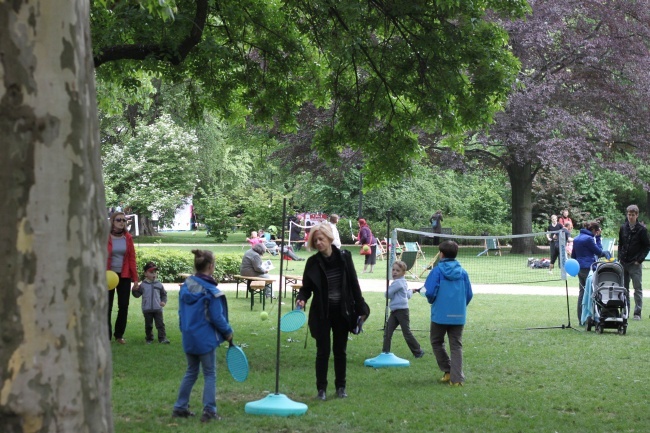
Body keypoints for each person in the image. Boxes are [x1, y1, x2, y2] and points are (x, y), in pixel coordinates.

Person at [295, 223, 368, 401]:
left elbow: (353, 283)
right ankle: (321, 389)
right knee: (323, 352)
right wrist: (302, 298)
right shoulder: (312, 263)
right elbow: (307, 288)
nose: (319, 243)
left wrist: (361, 307)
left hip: (342, 312)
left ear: (329, 238)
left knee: (340, 351)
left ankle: (341, 387)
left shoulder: (344, 257)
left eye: (321, 239)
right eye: (315, 240)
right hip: (322, 314)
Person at [173, 250, 233, 423]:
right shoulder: (210, 291)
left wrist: (183, 329)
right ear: (211, 266)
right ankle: (209, 411)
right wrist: (228, 332)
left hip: (188, 336)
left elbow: (180, 312)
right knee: (209, 374)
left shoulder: (186, 285)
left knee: (191, 371)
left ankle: (180, 407)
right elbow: (217, 317)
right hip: (205, 339)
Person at [421, 240, 473, 386]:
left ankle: (448, 370)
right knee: (456, 346)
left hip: (440, 315)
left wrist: (431, 301)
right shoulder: (463, 272)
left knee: (436, 342)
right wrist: (459, 307)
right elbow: (469, 294)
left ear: (441, 254)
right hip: (458, 315)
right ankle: (456, 379)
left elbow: (429, 292)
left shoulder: (437, 271)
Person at [107, 211, 139, 344]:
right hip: (108, 276)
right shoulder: (104, 237)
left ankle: (119, 335)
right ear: (112, 222)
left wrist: (135, 279)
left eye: (124, 220)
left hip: (124, 275)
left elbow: (132, 259)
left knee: (123, 306)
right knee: (106, 307)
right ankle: (105, 336)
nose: (122, 222)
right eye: (119, 220)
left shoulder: (128, 237)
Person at [382, 261, 425, 358]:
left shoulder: (398, 283)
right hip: (395, 311)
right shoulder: (403, 282)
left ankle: (418, 351)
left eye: (398, 270)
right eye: (393, 270)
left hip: (401, 311)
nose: (394, 272)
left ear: (403, 273)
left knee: (406, 332)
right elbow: (407, 296)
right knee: (388, 332)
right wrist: (412, 291)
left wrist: (390, 291)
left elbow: (387, 294)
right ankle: (385, 352)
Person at [571, 221, 611, 323]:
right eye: (596, 231)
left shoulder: (576, 238)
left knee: (582, 292)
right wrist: (598, 238)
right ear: (593, 230)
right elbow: (599, 251)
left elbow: (573, 256)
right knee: (592, 292)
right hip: (589, 268)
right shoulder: (589, 239)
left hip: (579, 268)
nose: (596, 233)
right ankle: (592, 317)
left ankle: (581, 318)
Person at [617, 205, 650, 320]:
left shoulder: (642, 230)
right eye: (629, 214)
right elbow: (620, 244)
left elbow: (647, 246)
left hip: (635, 263)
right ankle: (625, 310)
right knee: (624, 289)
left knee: (638, 288)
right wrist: (619, 257)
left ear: (637, 215)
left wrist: (639, 260)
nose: (630, 217)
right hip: (624, 262)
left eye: (633, 215)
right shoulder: (623, 227)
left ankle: (637, 312)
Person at [132, 261, 170, 344]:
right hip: (147, 309)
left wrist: (163, 301)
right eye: (151, 272)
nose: (154, 274)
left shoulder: (159, 284)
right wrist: (134, 290)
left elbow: (164, 294)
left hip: (158, 309)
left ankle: (162, 338)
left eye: (155, 272)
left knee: (160, 325)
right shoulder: (143, 285)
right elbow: (137, 295)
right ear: (145, 273)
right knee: (148, 325)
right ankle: (149, 339)